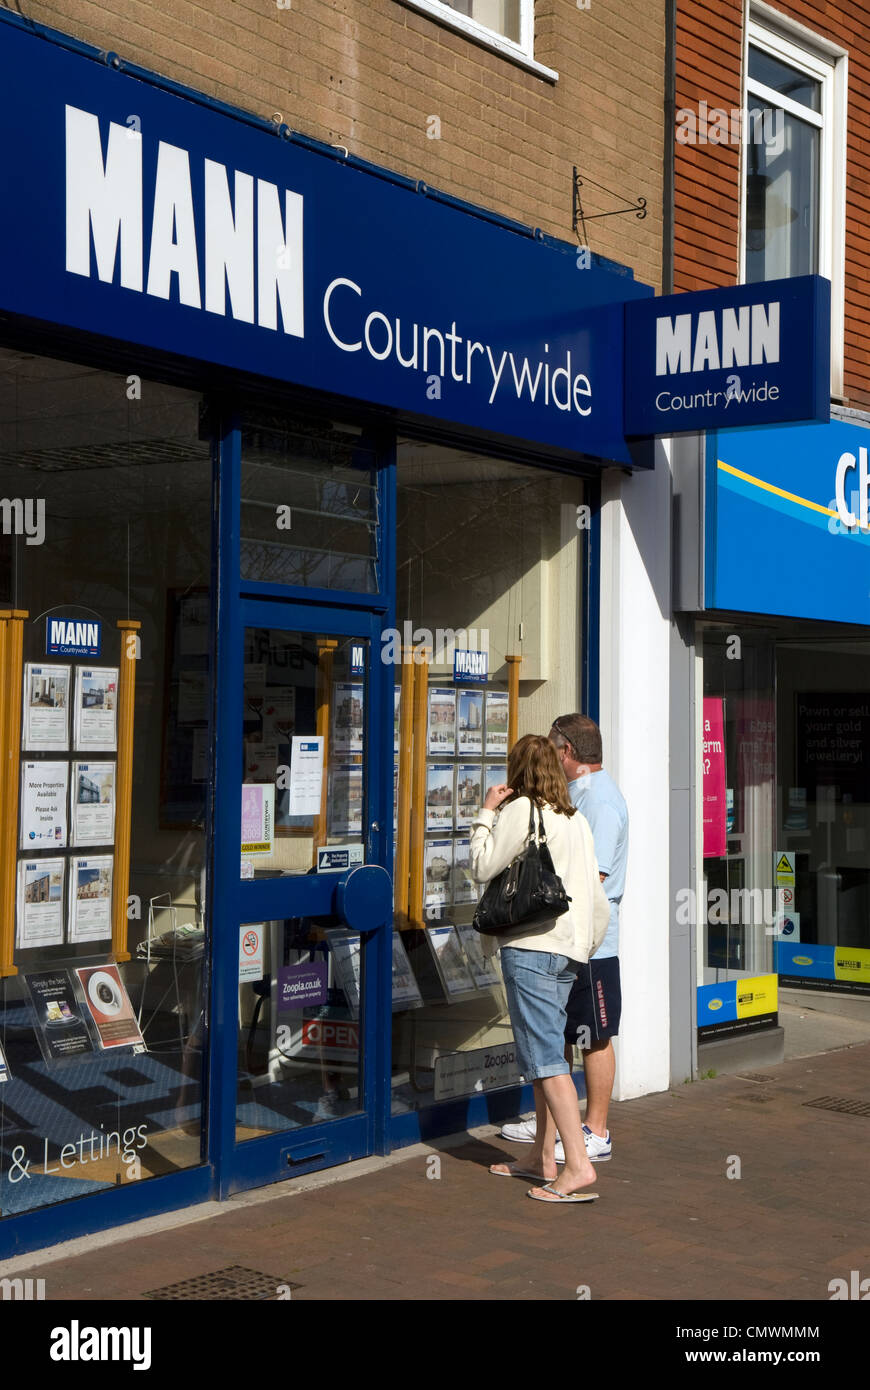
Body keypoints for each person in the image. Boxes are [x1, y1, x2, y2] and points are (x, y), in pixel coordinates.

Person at [470, 734, 610, 1203]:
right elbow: (597, 899)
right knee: (550, 1055)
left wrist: (486, 812)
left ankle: (577, 1166)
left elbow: (481, 865)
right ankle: (541, 1156)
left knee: (546, 1061)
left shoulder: (519, 810)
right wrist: (584, 946)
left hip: (531, 947)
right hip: (571, 950)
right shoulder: (576, 821)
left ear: (518, 769)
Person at [502, 714, 628, 1162]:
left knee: (593, 1034)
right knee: (559, 1033)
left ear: (567, 753)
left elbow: (589, 878)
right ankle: (553, 1126)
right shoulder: (579, 796)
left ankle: (595, 1130)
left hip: (591, 940)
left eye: (553, 750)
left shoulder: (599, 802)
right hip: (571, 937)